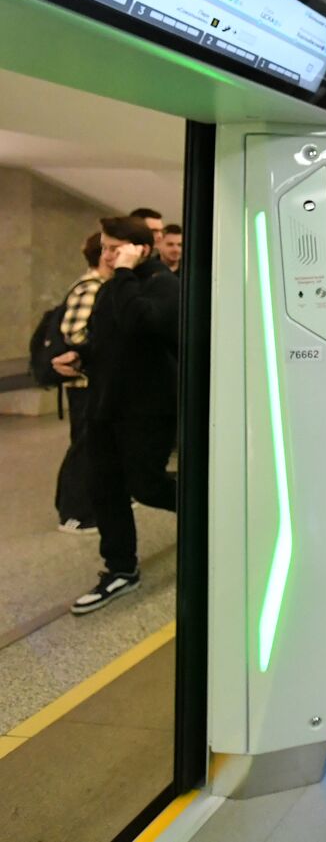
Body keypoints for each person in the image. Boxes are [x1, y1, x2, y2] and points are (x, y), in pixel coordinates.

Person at [61, 216, 180, 614]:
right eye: (105, 248)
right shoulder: (112, 289)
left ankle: (208, 507)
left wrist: (126, 273)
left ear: (140, 248)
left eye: (114, 248)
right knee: (105, 489)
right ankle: (120, 569)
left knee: (146, 486)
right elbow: (104, 342)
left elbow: (144, 324)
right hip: (105, 407)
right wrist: (80, 357)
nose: (106, 255)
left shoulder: (164, 284)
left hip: (147, 410)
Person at [53, 232, 112, 534]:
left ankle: (83, 505)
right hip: (84, 382)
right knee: (83, 446)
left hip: (92, 381)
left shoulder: (101, 286)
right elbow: (75, 333)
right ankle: (72, 513)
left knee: (92, 445)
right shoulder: (90, 288)